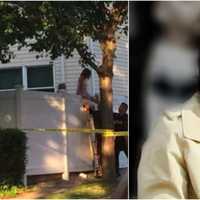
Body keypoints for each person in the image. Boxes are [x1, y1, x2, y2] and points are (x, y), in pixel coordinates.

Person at [114, 102, 128, 177]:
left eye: (122, 108)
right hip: (116, 141)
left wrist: (128, 143)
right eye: (120, 107)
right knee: (115, 158)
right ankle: (117, 173)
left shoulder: (126, 118)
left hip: (125, 141)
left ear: (125, 110)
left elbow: (126, 132)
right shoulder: (115, 115)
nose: (120, 108)